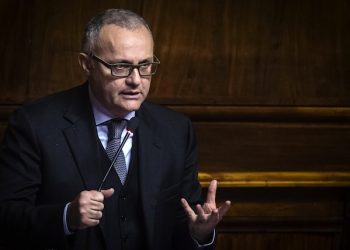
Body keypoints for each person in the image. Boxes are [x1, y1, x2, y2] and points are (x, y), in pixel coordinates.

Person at [0, 9, 231, 250]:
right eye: (120, 66)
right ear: (87, 64)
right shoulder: (34, 124)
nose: (135, 80)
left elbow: (186, 221)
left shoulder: (176, 130)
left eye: (145, 66)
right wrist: (66, 217)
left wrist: (200, 234)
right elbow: (6, 218)